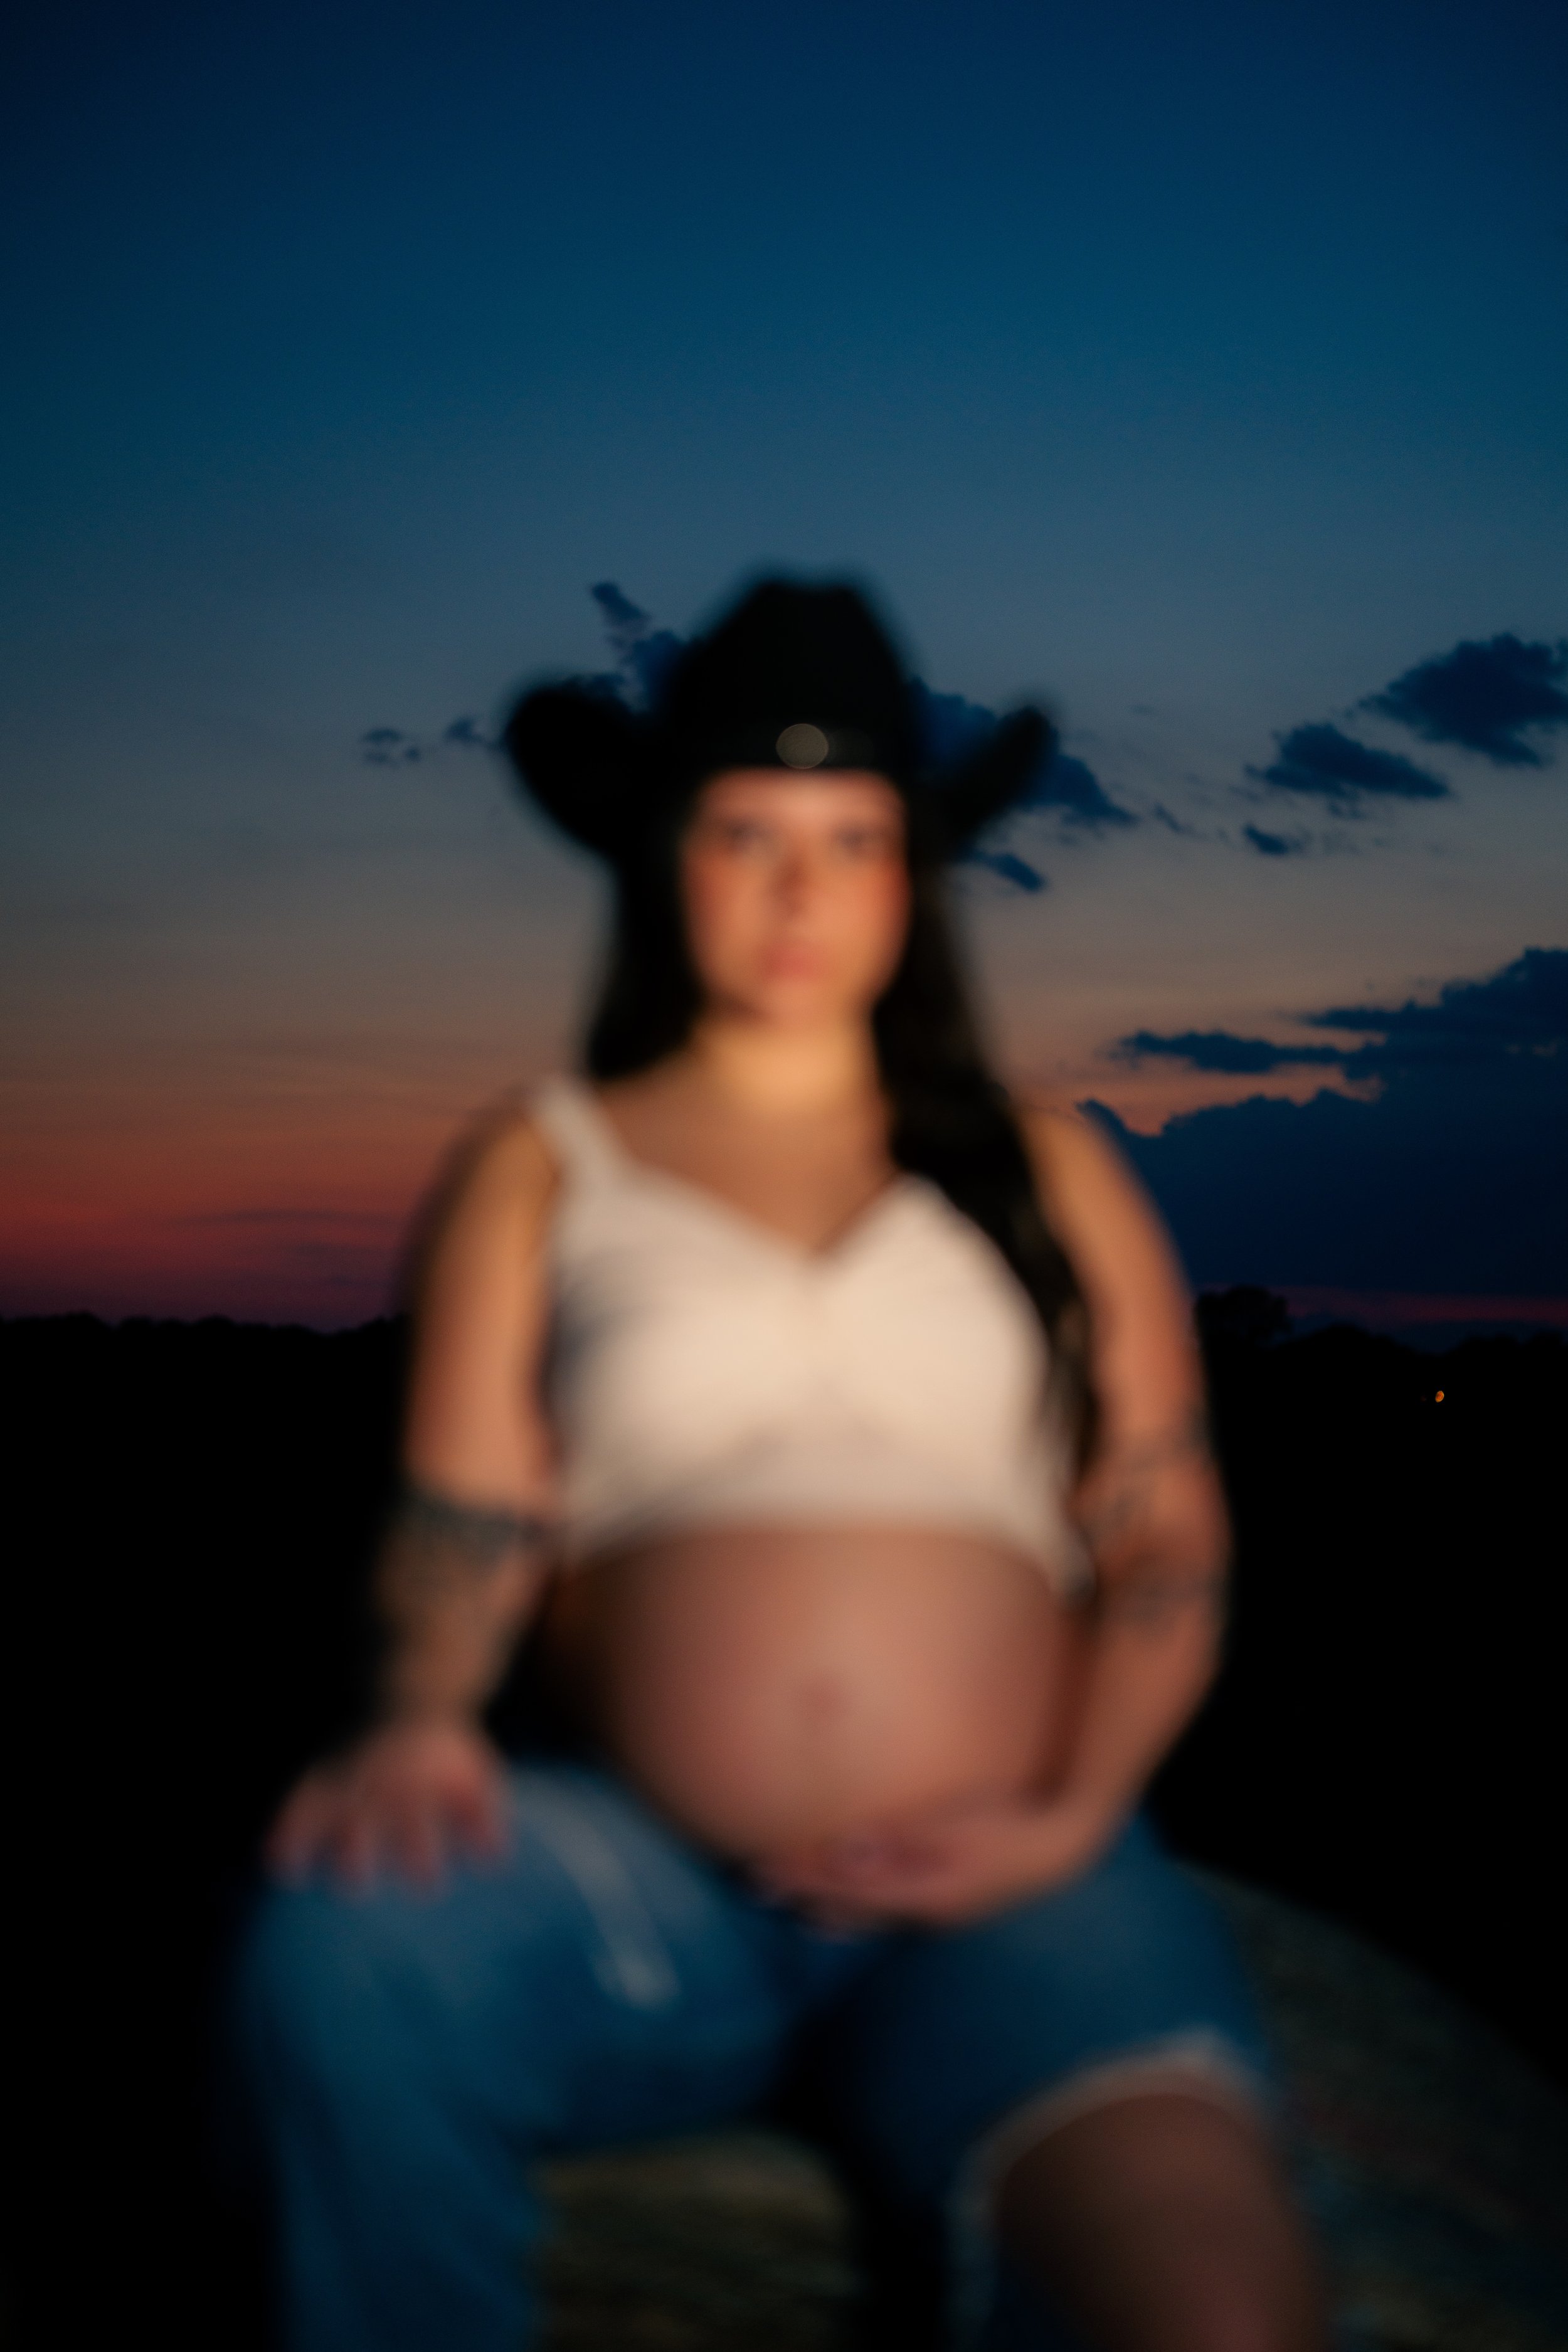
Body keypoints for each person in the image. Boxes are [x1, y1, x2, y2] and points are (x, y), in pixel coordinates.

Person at [235, 581, 1326, 2352]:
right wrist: (422, 1705)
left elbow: (1165, 1527)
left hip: (1007, 1889)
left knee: (1212, 2312)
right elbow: (466, 1510)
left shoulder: (1045, 1163)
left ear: (914, 874)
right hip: (647, 1887)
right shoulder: (543, 1157)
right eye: (745, 832)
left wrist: (1066, 1814)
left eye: (852, 838)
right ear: (668, 855)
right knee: (335, 1953)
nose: (799, 889)